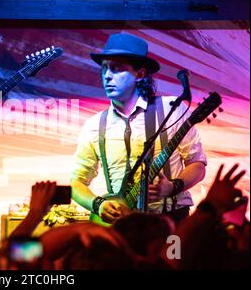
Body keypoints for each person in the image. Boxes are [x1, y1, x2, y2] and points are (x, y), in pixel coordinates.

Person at [70, 33, 207, 225]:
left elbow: (197, 165)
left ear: (140, 74)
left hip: (171, 219)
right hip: (121, 225)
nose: (107, 76)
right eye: (104, 69)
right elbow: (75, 182)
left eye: (116, 69)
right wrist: (98, 205)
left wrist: (172, 187)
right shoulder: (94, 125)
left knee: (174, 256)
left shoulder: (171, 109)